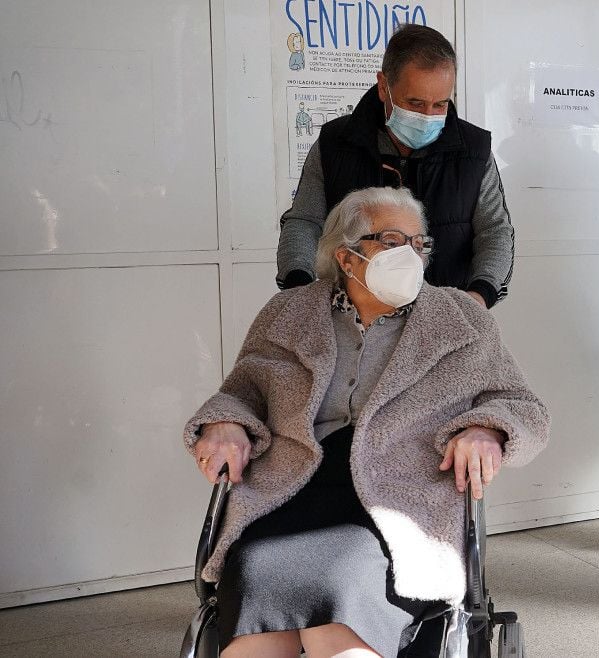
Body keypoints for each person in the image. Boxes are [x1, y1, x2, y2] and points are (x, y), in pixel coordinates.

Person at [186, 186, 550, 657]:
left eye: (420, 244)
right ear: (347, 256)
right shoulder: (288, 313)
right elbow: (241, 392)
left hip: (405, 488)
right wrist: (225, 424)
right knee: (255, 569)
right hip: (293, 482)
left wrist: (487, 429)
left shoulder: (463, 319)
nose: (412, 256)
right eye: (393, 241)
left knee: (342, 582)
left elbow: (522, 405)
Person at [276, 24, 514, 310]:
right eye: (414, 103)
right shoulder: (335, 144)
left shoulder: (473, 151)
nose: (428, 116)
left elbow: (494, 230)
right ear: (383, 86)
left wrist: (480, 294)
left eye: (440, 104)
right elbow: (304, 221)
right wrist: (299, 290)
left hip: (446, 313)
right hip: (353, 317)